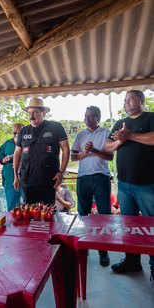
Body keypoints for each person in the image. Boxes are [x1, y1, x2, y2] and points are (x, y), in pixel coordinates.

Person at [105, 90, 154, 281]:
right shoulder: (119, 124)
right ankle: (132, 260)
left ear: (141, 101)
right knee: (129, 226)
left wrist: (130, 135)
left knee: (151, 227)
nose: (126, 103)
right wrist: (119, 140)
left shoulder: (150, 118)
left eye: (130, 99)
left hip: (148, 185)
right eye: (124, 100)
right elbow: (107, 147)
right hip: (124, 186)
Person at [71, 106, 113, 266]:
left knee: (104, 216)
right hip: (83, 178)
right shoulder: (80, 135)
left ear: (98, 118)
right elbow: (74, 157)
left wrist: (94, 149)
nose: (87, 118)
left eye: (91, 116)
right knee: (83, 215)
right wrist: (84, 153)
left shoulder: (106, 133)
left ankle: (103, 251)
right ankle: (84, 246)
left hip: (101, 177)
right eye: (86, 115)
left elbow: (110, 156)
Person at [13, 98, 70, 204]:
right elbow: (17, 154)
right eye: (29, 112)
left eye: (35, 112)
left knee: (47, 214)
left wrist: (61, 173)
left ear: (43, 113)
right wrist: (16, 176)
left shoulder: (56, 127)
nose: (31, 116)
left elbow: (66, 150)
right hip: (28, 179)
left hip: (49, 179)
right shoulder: (23, 131)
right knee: (29, 213)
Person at [0, 123, 24, 211]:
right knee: (12, 209)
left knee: (29, 207)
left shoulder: (29, 143)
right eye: (14, 133)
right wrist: (3, 160)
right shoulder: (7, 144)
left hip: (25, 181)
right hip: (9, 181)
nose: (16, 135)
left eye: (19, 133)